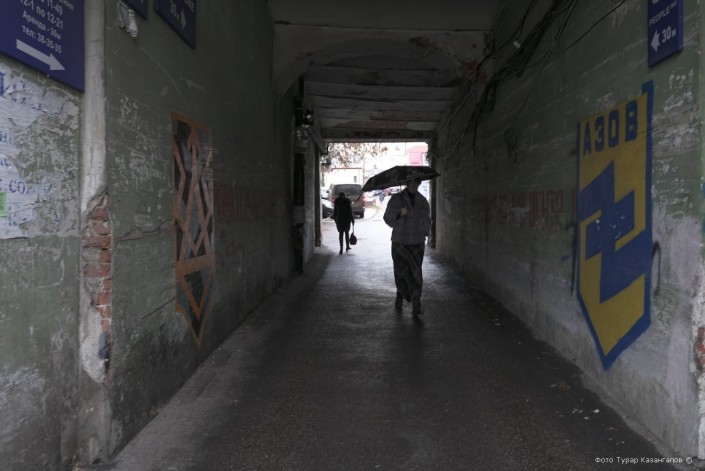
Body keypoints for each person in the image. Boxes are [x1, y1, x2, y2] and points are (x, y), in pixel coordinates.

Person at [383, 179, 431, 315]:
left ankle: (416, 303)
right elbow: (387, 217)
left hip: (417, 242)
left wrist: (425, 231)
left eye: (416, 183)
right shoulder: (396, 199)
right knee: (401, 273)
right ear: (407, 184)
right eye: (411, 183)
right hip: (400, 241)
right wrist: (399, 213)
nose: (414, 185)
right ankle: (400, 296)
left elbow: (427, 219)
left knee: (416, 273)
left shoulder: (422, 201)